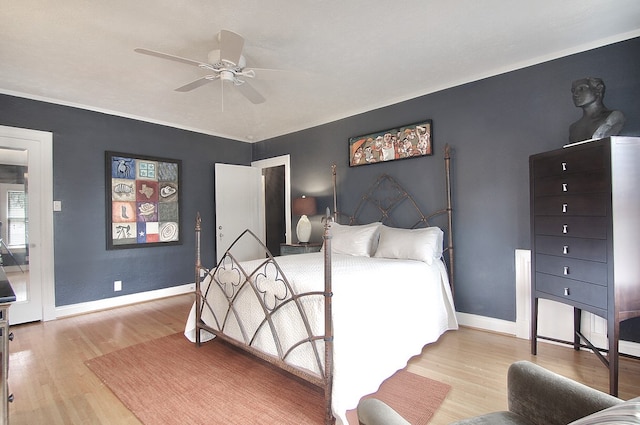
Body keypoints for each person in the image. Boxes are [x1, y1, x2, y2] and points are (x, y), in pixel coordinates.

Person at [569, 77, 625, 143]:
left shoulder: (614, 117)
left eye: (582, 89)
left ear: (598, 89)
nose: (575, 94)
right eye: (573, 91)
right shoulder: (574, 128)